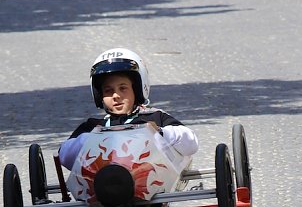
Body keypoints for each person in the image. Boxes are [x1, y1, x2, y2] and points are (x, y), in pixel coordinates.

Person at [59, 48, 198, 169]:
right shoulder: (94, 126)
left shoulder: (153, 117)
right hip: (102, 184)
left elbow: (191, 143)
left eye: (123, 88)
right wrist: (90, 140)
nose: (116, 96)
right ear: (100, 96)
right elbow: (63, 154)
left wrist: (161, 133)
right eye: (108, 90)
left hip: (149, 178)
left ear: (137, 90)